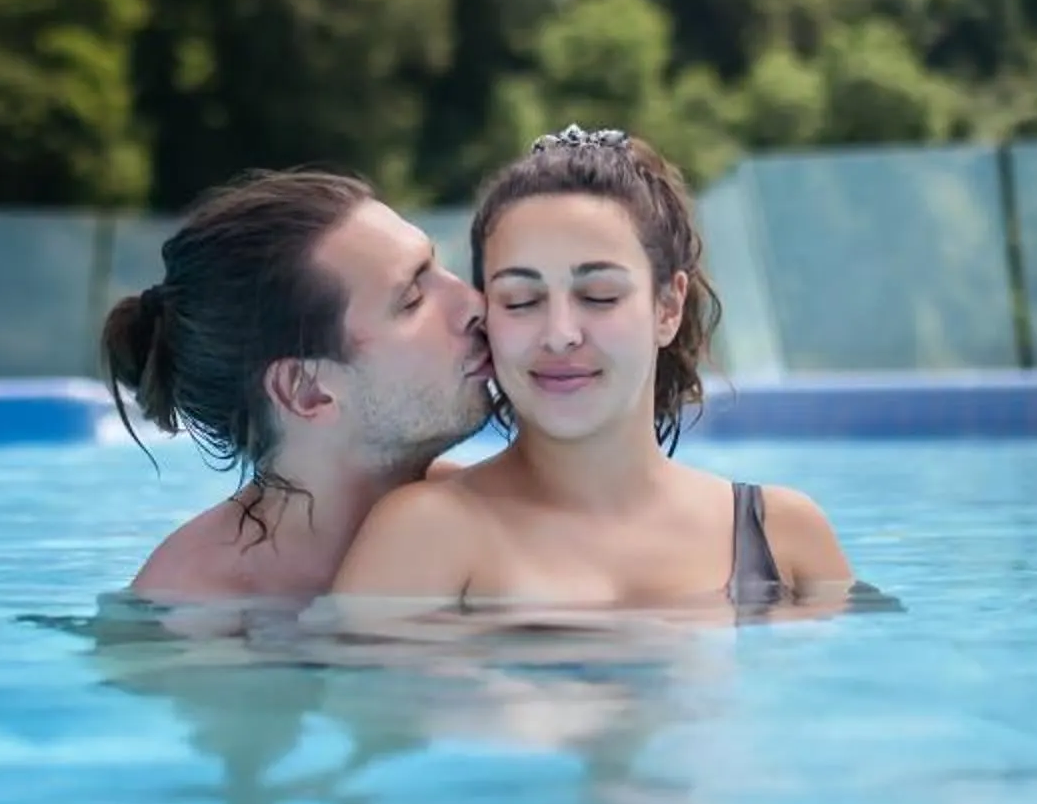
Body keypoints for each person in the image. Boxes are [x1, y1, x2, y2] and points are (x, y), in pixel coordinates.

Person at [324, 126, 857, 612]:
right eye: (520, 300)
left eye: (599, 296)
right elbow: (363, 711)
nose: (559, 333)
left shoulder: (783, 540)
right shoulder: (425, 535)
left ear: (667, 308)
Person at [102, 168, 492, 605]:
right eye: (412, 300)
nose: (475, 303)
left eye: (437, 266)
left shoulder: (503, 508)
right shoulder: (195, 617)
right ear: (308, 392)